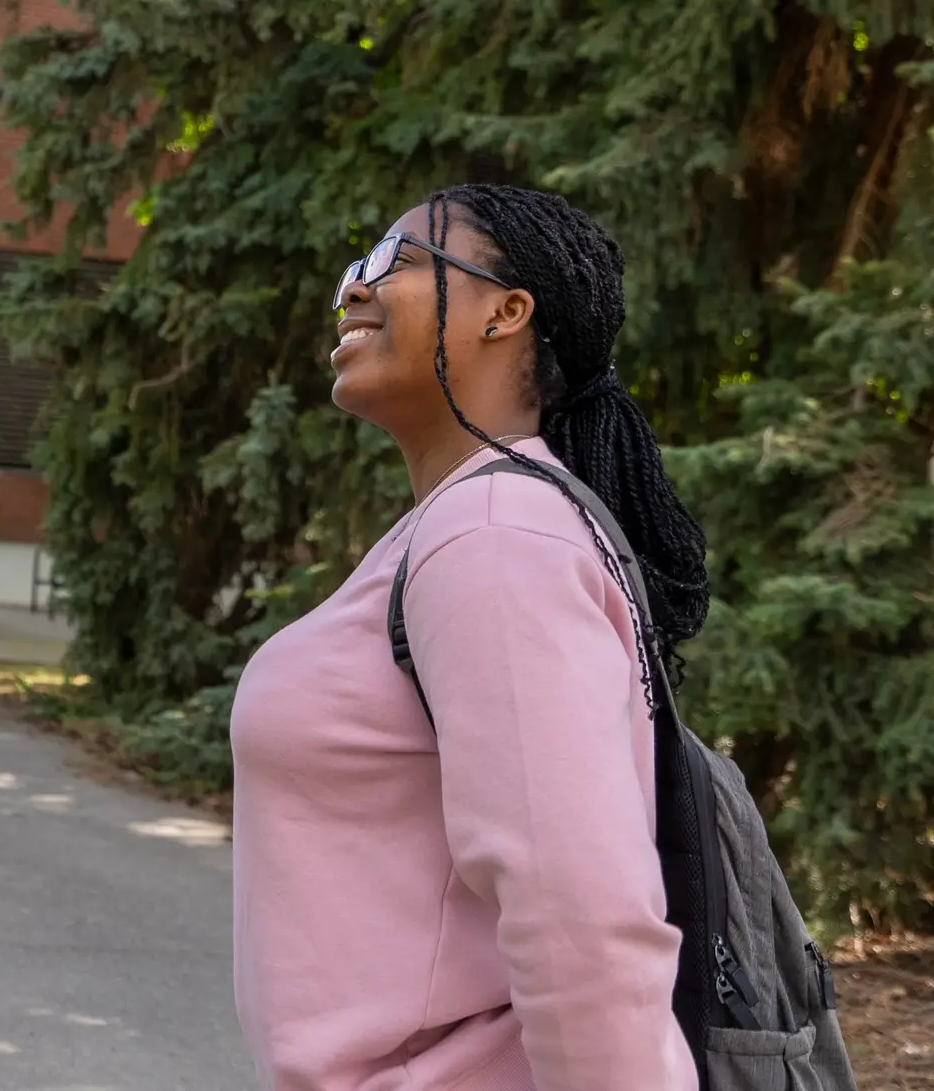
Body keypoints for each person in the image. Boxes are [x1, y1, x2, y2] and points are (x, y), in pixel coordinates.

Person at [230, 185, 705, 1090]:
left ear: (506, 312)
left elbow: (583, 923)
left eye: (395, 265)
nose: (354, 291)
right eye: (354, 269)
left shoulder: (496, 534)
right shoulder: (473, 523)